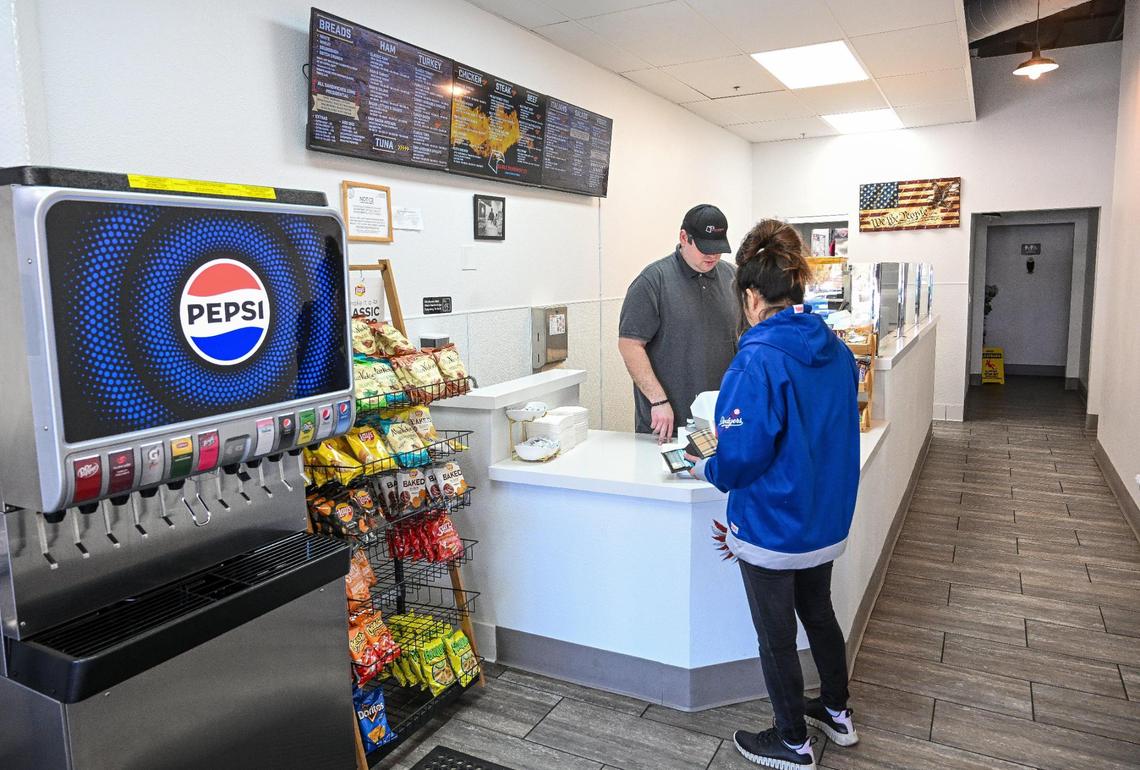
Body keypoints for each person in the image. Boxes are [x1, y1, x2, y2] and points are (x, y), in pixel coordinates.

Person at [689, 219, 861, 769]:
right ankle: (837, 711)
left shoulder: (756, 359)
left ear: (751, 295)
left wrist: (707, 467)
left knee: (776, 637)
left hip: (771, 525)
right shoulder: (833, 349)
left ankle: (792, 742)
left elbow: (742, 458)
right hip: (822, 518)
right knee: (820, 613)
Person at [618, 204, 740, 442]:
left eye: (718, 249)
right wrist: (658, 400)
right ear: (684, 237)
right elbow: (629, 345)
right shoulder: (653, 281)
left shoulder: (733, 278)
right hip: (668, 422)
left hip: (723, 419)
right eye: (705, 248)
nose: (712, 256)